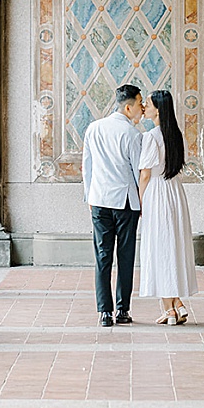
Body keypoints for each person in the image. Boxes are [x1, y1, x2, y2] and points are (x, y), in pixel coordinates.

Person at [83, 84, 144, 327]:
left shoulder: (94, 128)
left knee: (102, 256)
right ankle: (122, 309)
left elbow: (86, 166)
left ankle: (104, 312)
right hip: (126, 202)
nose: (141, 109)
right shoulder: (132, 135)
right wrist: (143, 203)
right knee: (125, 256)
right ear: (128, 107)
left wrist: (88, 196)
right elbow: (139, 172)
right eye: (139, 104)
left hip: (98, 200)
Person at [136, 89, 197, 325]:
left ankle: (169, 309)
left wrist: (140, 202)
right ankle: (177, 303)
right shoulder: (176, 135)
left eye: (148, 104)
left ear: (158, 109)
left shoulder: (151, 136)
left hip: (157, 193)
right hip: (174, 192)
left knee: (159, 248)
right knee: (172, 246)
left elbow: (145, 174)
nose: (145, 108)